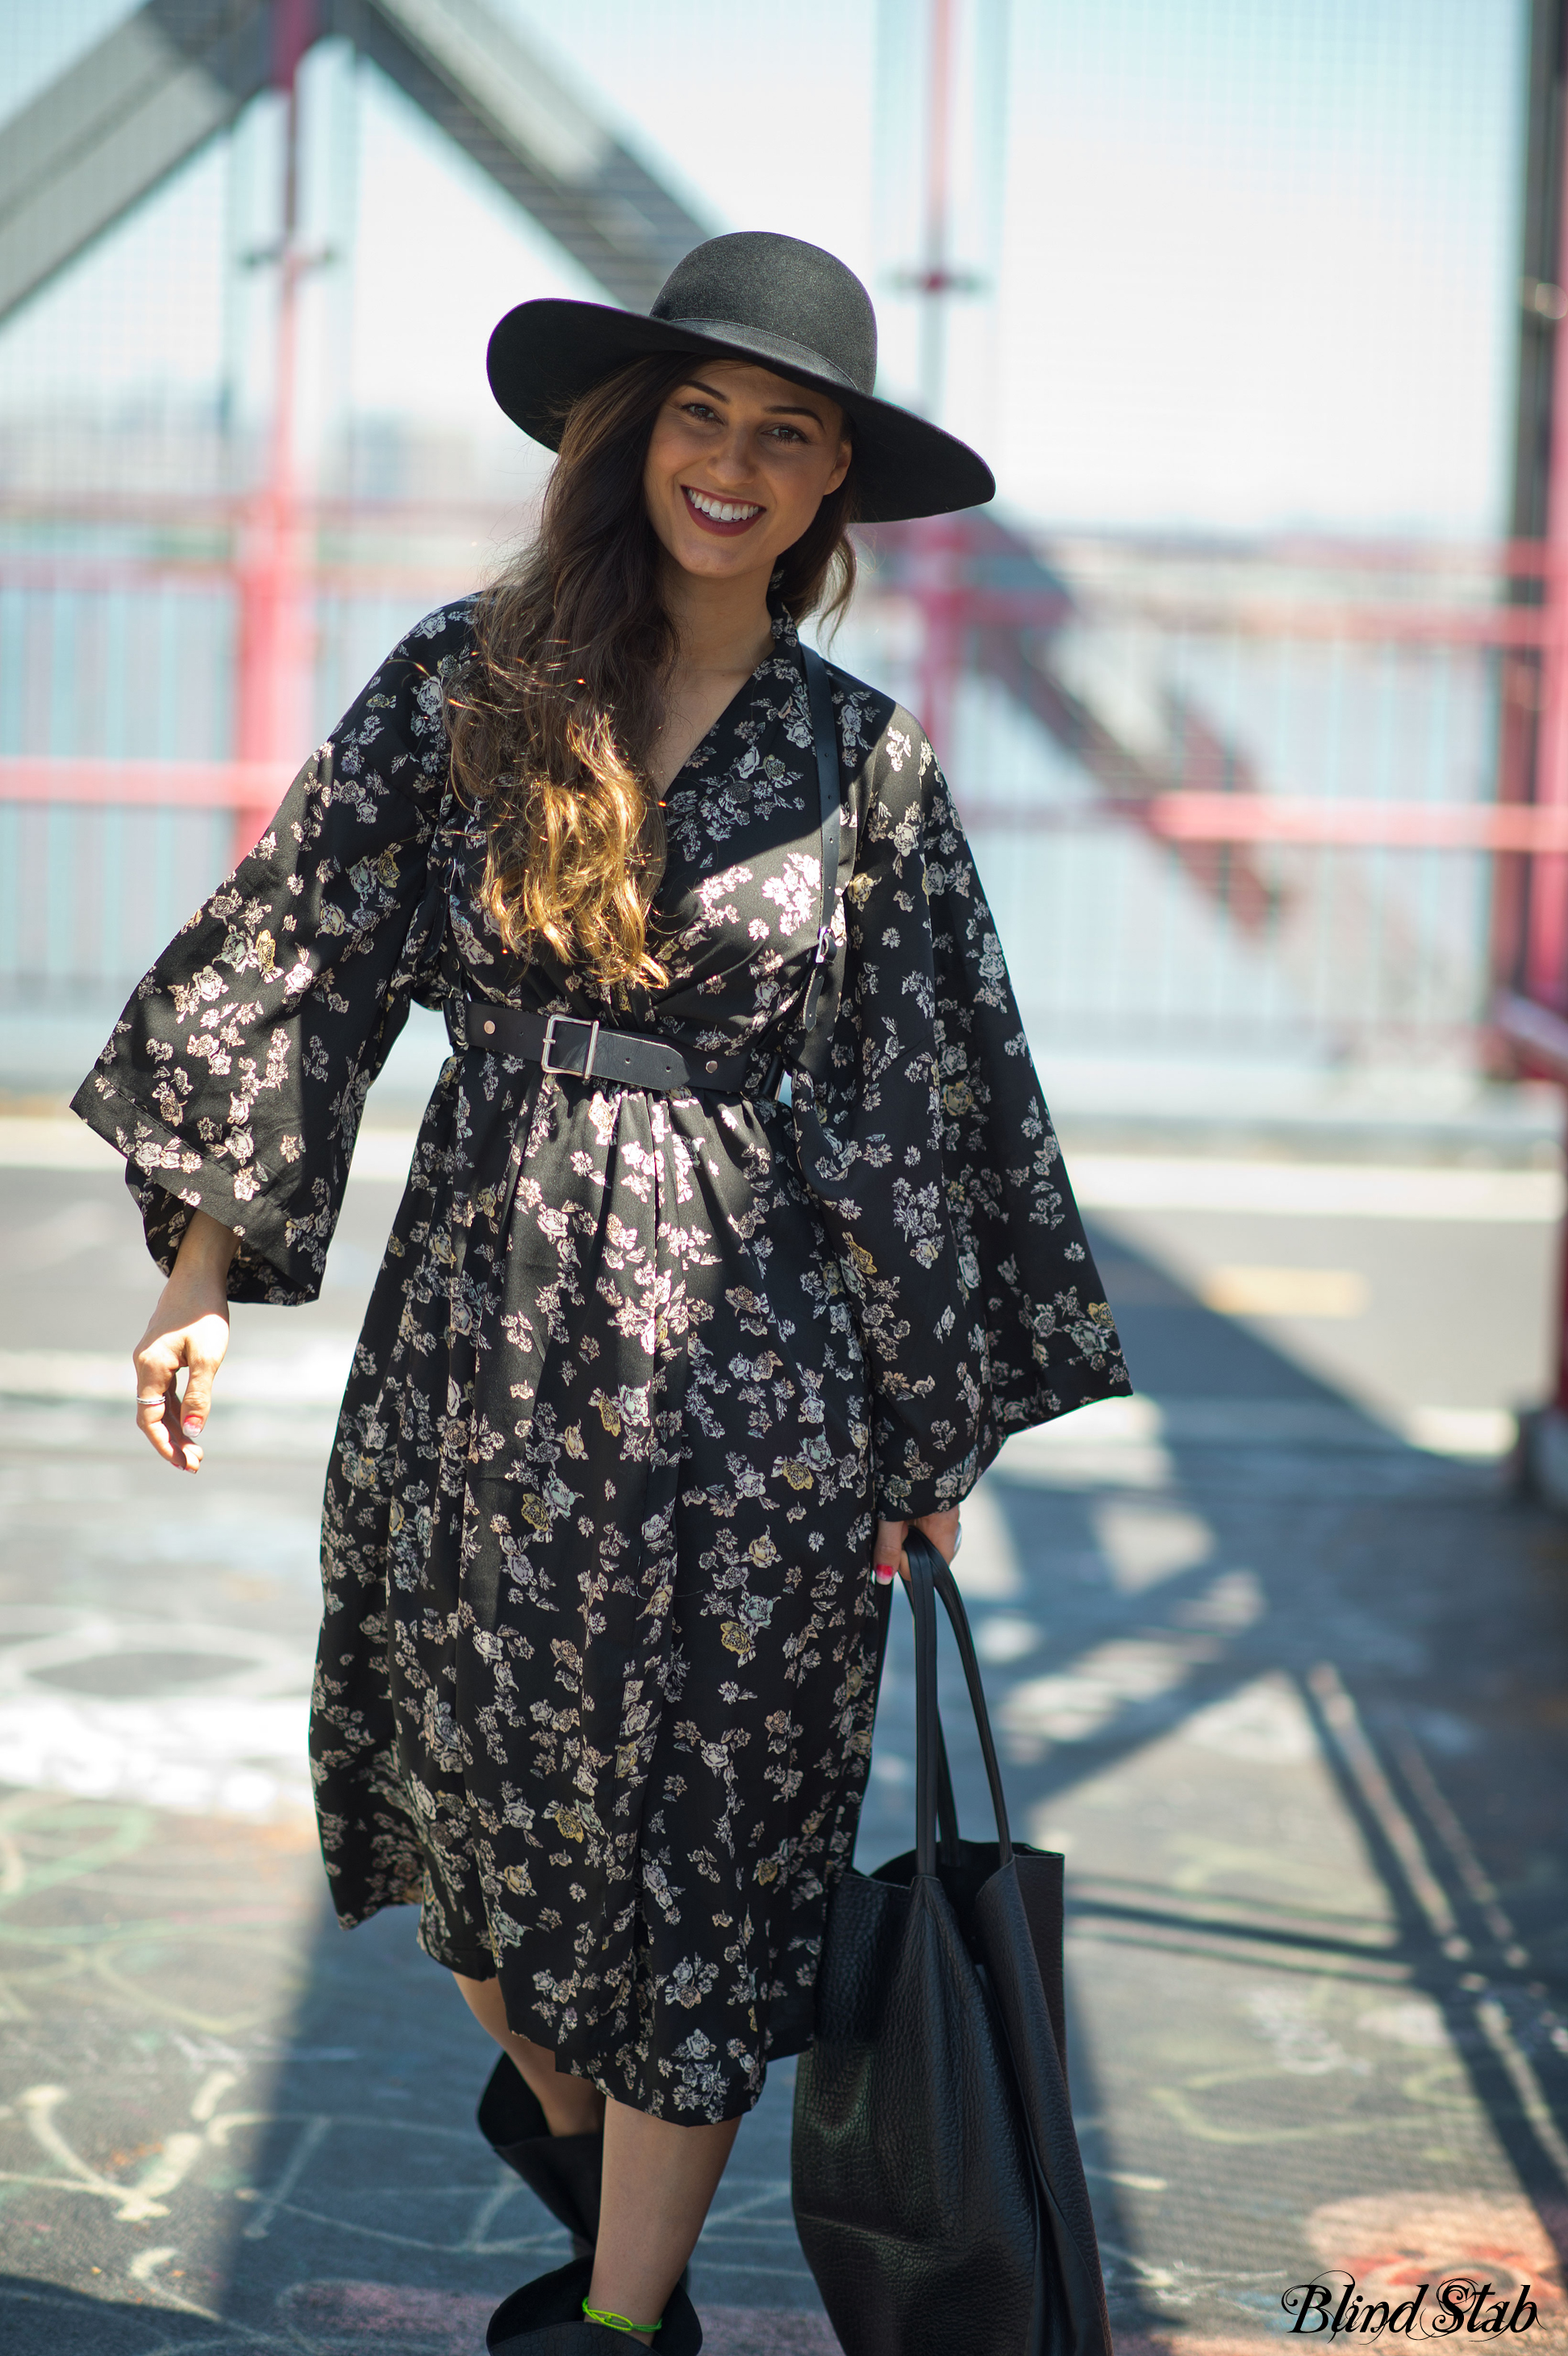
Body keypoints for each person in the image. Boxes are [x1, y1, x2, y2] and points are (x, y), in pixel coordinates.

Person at [73, 231, 1129, 2351]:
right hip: (480, 1334)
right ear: (631, 432)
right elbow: (302, 946)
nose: (736, 461)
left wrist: (931, 1437)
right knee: (464, 1844)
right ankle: (590, 2188)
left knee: (707, 1877)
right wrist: (198, 1267)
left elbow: (930, 1095)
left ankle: (624, 2316)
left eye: (791, 434)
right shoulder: (478, 681)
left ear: (836, 486)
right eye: (705, 413)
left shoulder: (867, 768)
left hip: (763, 1386)